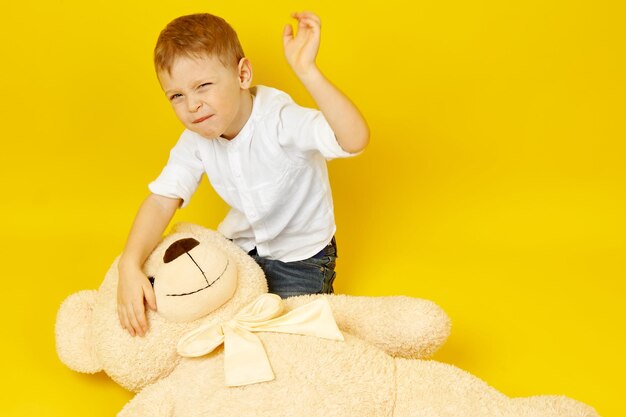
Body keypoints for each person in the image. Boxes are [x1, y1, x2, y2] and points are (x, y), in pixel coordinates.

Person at [117, 11, 369, 336]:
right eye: (177, 96)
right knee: (187, 314)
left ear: (243, 75)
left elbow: (354, 140)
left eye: (203, 86)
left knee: (286, 339)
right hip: (240, 248)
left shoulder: (280, 121)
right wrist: (129, 264)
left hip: (301, 258)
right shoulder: (195, 139)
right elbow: (161, 199)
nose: (192, 104)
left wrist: (308, 71)